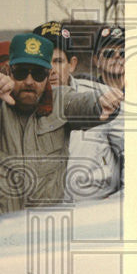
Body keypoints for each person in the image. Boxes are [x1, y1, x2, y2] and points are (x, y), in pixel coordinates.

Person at [0, 33, 123, 236]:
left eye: (38, 74)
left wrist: (101, 103)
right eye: (21, 72)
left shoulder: (60, 100)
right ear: (9, 71)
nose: (29, 81)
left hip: (42, 230)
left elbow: (82, 103)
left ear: (48, 75)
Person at [35, 21, 124, 202]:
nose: (51, 70)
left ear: (72, 64)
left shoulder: (103, 97)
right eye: (44, 61)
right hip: (44, 215)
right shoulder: (22, 103)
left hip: (96, 215)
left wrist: (117, 204)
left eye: (58, 61)